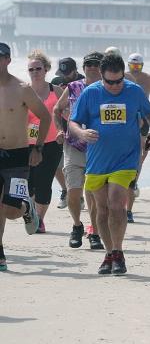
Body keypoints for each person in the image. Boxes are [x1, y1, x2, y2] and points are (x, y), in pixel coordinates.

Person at [69, 53, 150, 275]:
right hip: (97, 160)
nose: (114, 86)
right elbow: (72, 121)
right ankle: (109, 253)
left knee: (116, 204)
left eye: (118, 80)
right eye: (109, 82)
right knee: (101, 210)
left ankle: (118, 252)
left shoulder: (134, 91)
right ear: (101, 76)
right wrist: (81, 132)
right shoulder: (90, 93)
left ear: (123, 75)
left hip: (126, 159)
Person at [0, 42, 52, 271]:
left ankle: (26, 207)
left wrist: (37, 148)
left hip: (18, 155)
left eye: (0, 57)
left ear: (8, 60)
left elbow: (45, 116)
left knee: (10, 211)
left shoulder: (21, 88)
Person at [53, 52, 104, 250]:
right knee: (73, 193)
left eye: (96, 64)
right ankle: (77, 225)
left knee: (92, 193)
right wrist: (59, 129)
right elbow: (57, 109)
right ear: (83, 68)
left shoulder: (108, 89)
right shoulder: (74, 87)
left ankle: (95, 232)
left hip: (98, 148)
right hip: (73, 145)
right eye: (88, 64)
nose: (92, 67)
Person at [25, 51, 64, 232]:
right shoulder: (23, 90)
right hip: (27, 143)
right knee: (27, 183)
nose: (35, 72)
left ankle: (39, 219)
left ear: (46, 69)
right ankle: (32, 212)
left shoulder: (55, 91)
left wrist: (68, 132)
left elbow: (70, 114)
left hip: (52, 143)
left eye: (38, 68)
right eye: (31, 69)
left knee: (44, 182)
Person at [124, 52, 150, 222]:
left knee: (141, 156)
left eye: (138, 66)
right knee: (133, 155)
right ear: (128, 65)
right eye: (133, 65)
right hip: (128, 120)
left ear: (143, 66)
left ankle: (134, 180)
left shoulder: (149, 79)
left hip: (144, 119)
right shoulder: (123, 77)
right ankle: (132, 181)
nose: (135, 69)